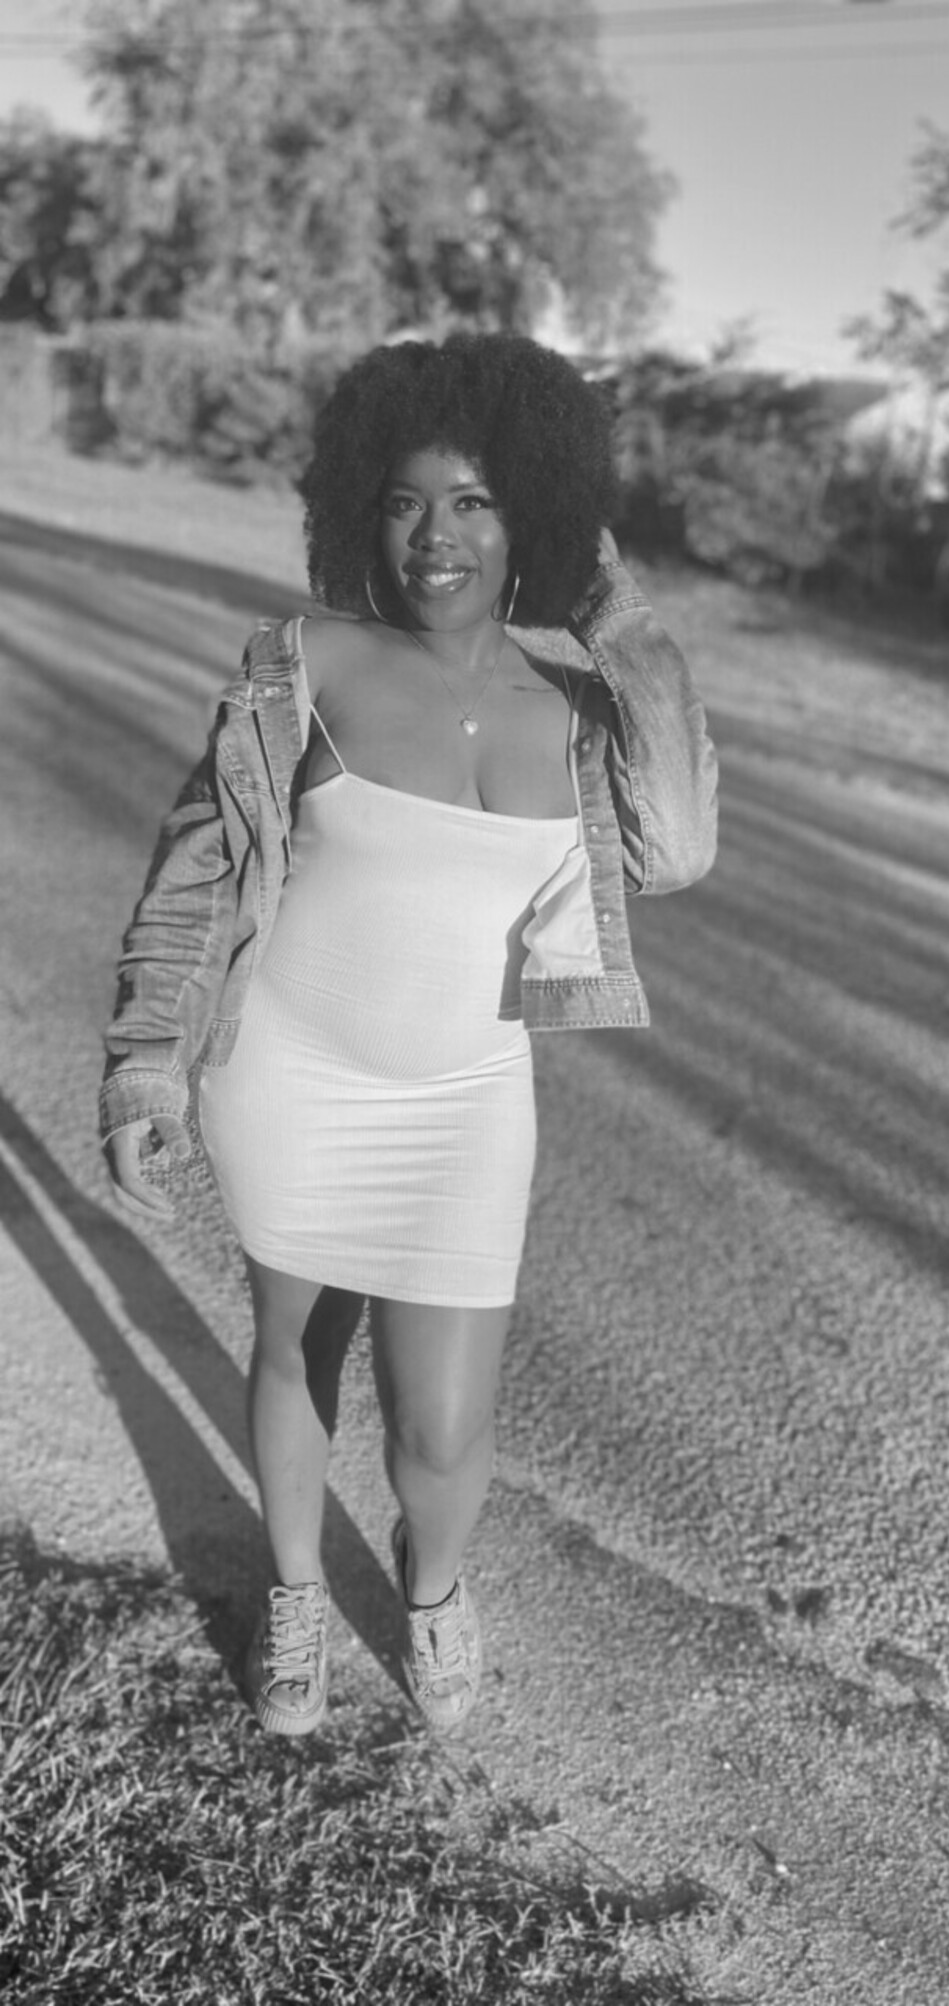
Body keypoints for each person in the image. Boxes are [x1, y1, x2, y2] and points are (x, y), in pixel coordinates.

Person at [100, 332, 718, 1738]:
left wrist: (617, 614)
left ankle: (431, 1587)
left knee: (443, 1428)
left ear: (535, 517)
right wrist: (145, 1062)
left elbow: (677, 848)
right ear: (361, 512)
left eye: (479, 502)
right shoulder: (305, 665)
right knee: (297, 1348)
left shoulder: (579, 713)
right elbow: (196, 872)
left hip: (465, 1098)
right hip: (293, 1073)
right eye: (405, 501)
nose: (436, 537)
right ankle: (296, 1591)